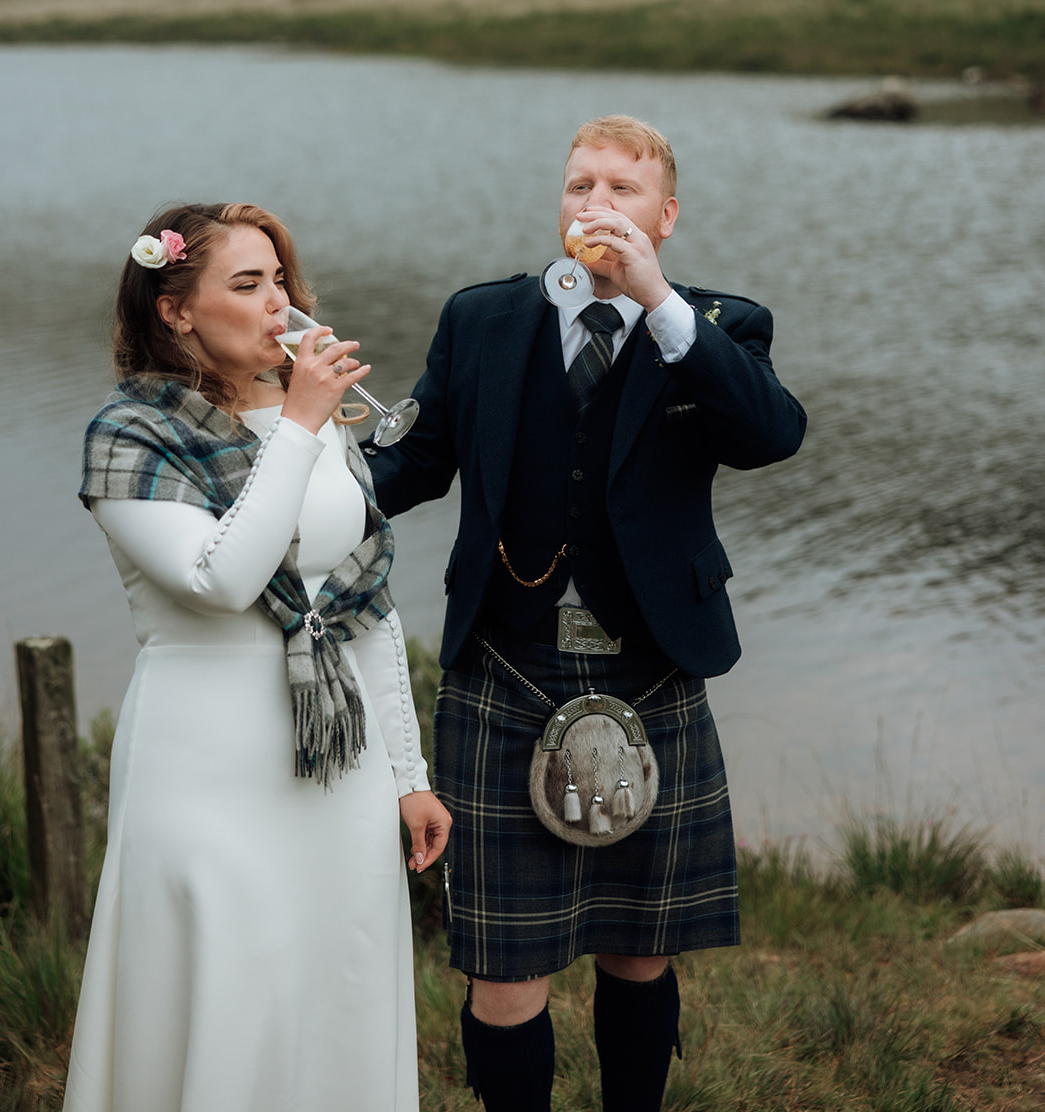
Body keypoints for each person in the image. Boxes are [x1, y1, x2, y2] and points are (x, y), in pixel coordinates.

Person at [364, 115, 807, 1112]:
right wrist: (301, 500)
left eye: (620, 188)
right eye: (578, 185)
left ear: (665, 214)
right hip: (506, 662)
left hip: (652, 660)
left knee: (639, 950)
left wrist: (657, 302)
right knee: (504, 966)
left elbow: (770, 435)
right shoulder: (482, 318)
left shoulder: (720, 325)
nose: (595, 204)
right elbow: (418, 462)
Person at [64, 202, 451, 1112]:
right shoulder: (130, 433)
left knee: (339, 982)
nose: (279, 303)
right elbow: (221, 578)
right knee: (225, 988)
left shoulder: (314, 419)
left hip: (339, 767)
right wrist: (302, 428)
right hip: (203, 767)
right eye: (246, 284)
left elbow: (363, 606)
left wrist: (408, 776)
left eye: (279, 280)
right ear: (175, 311)